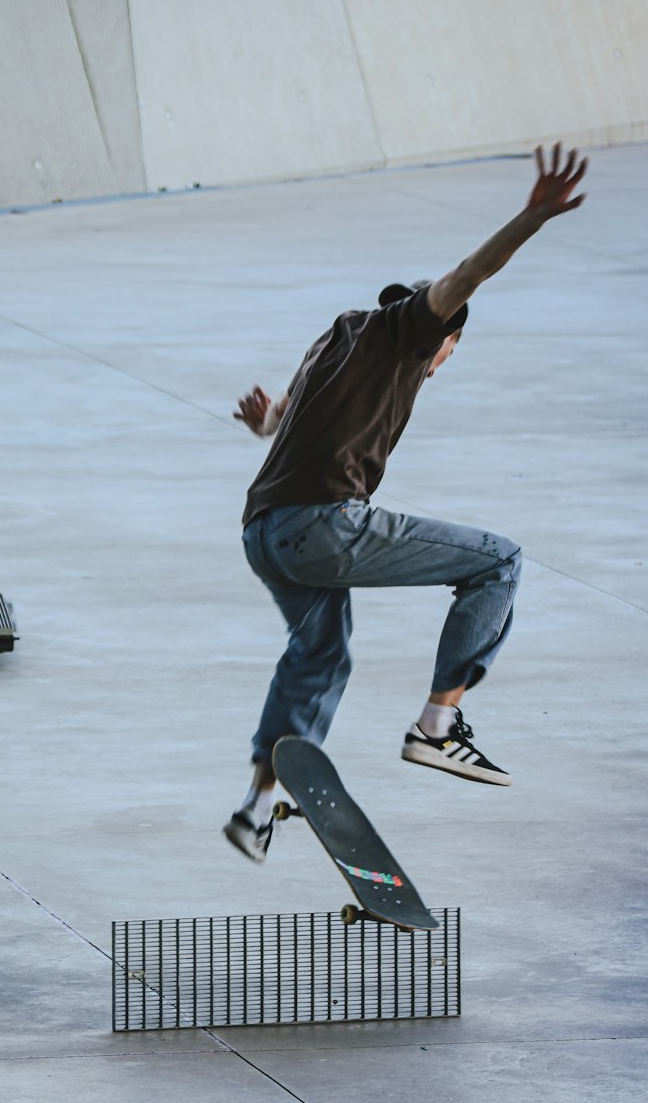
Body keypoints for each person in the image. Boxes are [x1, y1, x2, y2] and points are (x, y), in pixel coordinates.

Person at [225, 143, 588, 863]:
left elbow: (281, 420)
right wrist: (533, 217)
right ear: (443, 341)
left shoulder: (336, 336)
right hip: (323, 525)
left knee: (320, 656)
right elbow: (469, 274)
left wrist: (265, 419)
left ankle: (256, 805)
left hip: (263, 532)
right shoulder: (408, 331)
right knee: (498, 563)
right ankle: (437, 729)